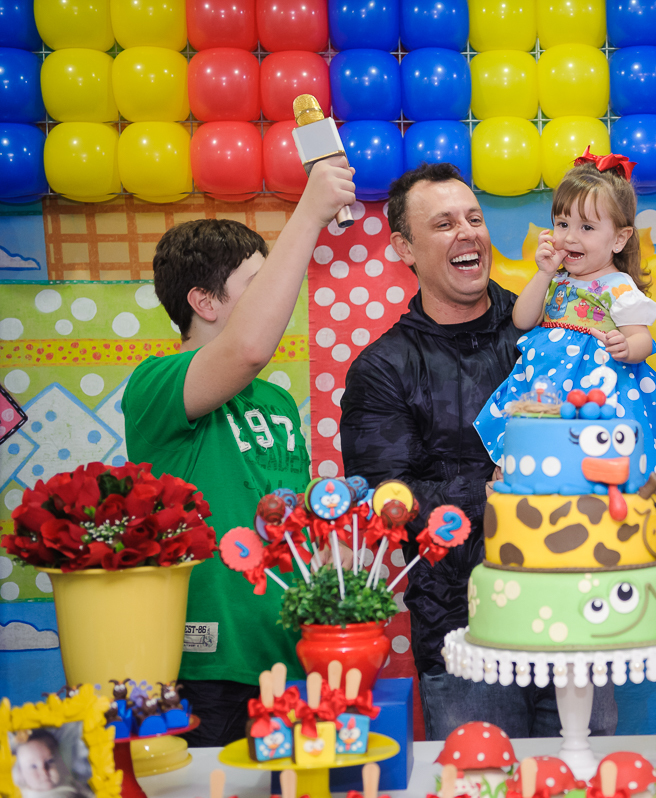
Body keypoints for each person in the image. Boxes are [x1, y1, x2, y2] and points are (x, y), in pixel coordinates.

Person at [339, 162, 616, 740]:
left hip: (577, 614)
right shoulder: (381, 370)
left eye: (474, 218)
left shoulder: (548, 325)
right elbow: (383, 500)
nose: (467, 233)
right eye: (443, 224)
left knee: (587, 776)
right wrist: (492, 493)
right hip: (465, 635)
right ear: (404, 249)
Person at [124, 160, 356, 746]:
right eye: (259, 282)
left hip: (289, 658)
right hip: (208, 667)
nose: (280, 295)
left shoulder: (277, 403)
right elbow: (248, 347)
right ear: (203, 301)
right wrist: (309, 212)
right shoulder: (156, 384)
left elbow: (297, 519)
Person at [473, 150, 656, 500]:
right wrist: (544, 273)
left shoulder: (617, 285)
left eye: (587, 227)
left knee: (595, 466)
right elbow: (523, 320)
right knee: (544, 461)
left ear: (619, 239)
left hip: (599, 391)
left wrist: (626, 348)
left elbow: (641, 340)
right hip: (546, 386)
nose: (570, 237)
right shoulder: (556, 279)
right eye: (562, 224)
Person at [11, 730, 90, 798]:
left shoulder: (74, 785)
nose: (44, 771)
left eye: (50, 761)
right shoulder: (22, 794)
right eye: (33, 766)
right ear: (21, 772)